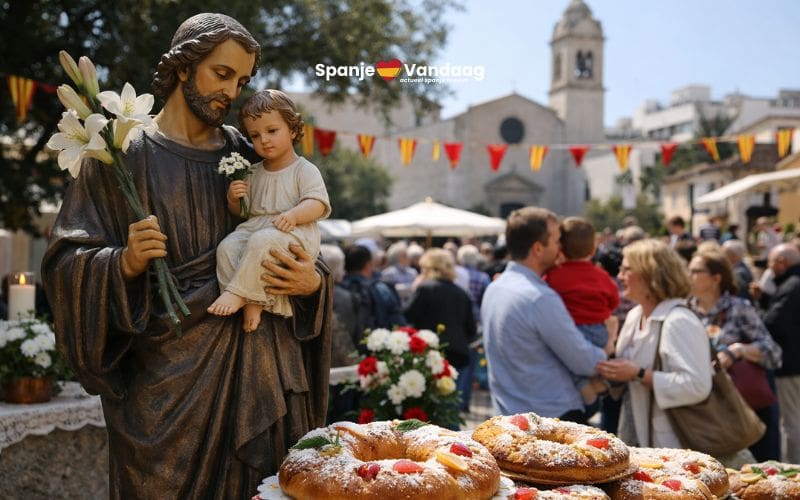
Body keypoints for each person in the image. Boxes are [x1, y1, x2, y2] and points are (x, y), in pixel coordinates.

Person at [42, 14, 333, 497]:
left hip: (257, 371)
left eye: (241, 82)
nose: (232, 92)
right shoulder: (119, 153)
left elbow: (298, 233)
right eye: (222, 74)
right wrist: (124, 262)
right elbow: (65, 262)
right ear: (182, 67)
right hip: (162, 389)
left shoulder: (248, 153)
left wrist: (312, 284)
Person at [208, 89, 330, 331]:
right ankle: (251, 300)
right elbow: (244, 213)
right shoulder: (252, 172)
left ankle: (237, 293)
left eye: (272, 131)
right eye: (255, 135)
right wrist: (234, 198)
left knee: (262, 241)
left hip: (293, 231)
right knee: (227, 247)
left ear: (293, 130)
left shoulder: (303, 169)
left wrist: (294, 214)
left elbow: (317, 204)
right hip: (257, 226)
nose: (263, 139)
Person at [481, 207, 609, 423]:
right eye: (558, 241)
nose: (562, 248)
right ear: (538, 249)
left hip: (513, 414)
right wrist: (608, 348)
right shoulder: (538, 297)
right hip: (550, 418)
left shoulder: (496, 287)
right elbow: (584, 361)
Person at [596, 240, 712, 450]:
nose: (619, 276)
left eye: (627, 269)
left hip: (675, 443)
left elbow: (697, 386)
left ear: (650, 275)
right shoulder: (635, 315)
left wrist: (639, 374)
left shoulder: (679, 321)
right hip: (637, 432)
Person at [687, 248, 782, 460]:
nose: (688, 276)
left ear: (716, 278)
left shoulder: (738, 308)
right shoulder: (685, 312)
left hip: (741, 407)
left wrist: (737, 351)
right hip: (701, 410)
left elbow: (773, 352)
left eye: (695, 271)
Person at [544, 217, 620, 410]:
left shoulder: (553, 274)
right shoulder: (601, 275)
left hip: (572, 329)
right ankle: (600, 384)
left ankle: (586, 390)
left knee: (568, 363)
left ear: (560, 248)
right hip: (599, 331)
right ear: (593, 249)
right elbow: (614, 301)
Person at [404, 248, 477, 418]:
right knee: (450, 409)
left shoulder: (425, 288)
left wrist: (415, 288)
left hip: (430, 356)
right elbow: (471, 329)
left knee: (429, 410)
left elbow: (407, 315)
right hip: (458, 356)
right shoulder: (461, 292)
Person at [752, 243, 800, 463]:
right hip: (792, 360)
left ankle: (795, 472)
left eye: (771, 262)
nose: (769, 268)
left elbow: (772, 321)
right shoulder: (790, 283)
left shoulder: (792, 285)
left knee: (792, 422)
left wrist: (760, 306)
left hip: (790, 363)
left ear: (783, 263)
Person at [341, 245, 406, 333]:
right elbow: (398, 324)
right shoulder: (382, 289)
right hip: (376, 343)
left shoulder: (335, 290)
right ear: (368, 264)